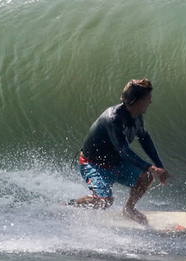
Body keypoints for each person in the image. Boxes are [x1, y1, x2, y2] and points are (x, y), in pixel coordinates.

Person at [71, 78, 172, 226]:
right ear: (138, 102)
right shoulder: (113, 118)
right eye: (148, 99)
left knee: (146, 177)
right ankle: (69, 205)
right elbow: (124, 151)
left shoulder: (137, 116)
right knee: (104, 201)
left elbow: (144, 138)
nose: (150, 102)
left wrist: (159, 166)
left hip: (116, 163)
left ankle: (129, 209)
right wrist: (150, 167)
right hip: (93, 164)